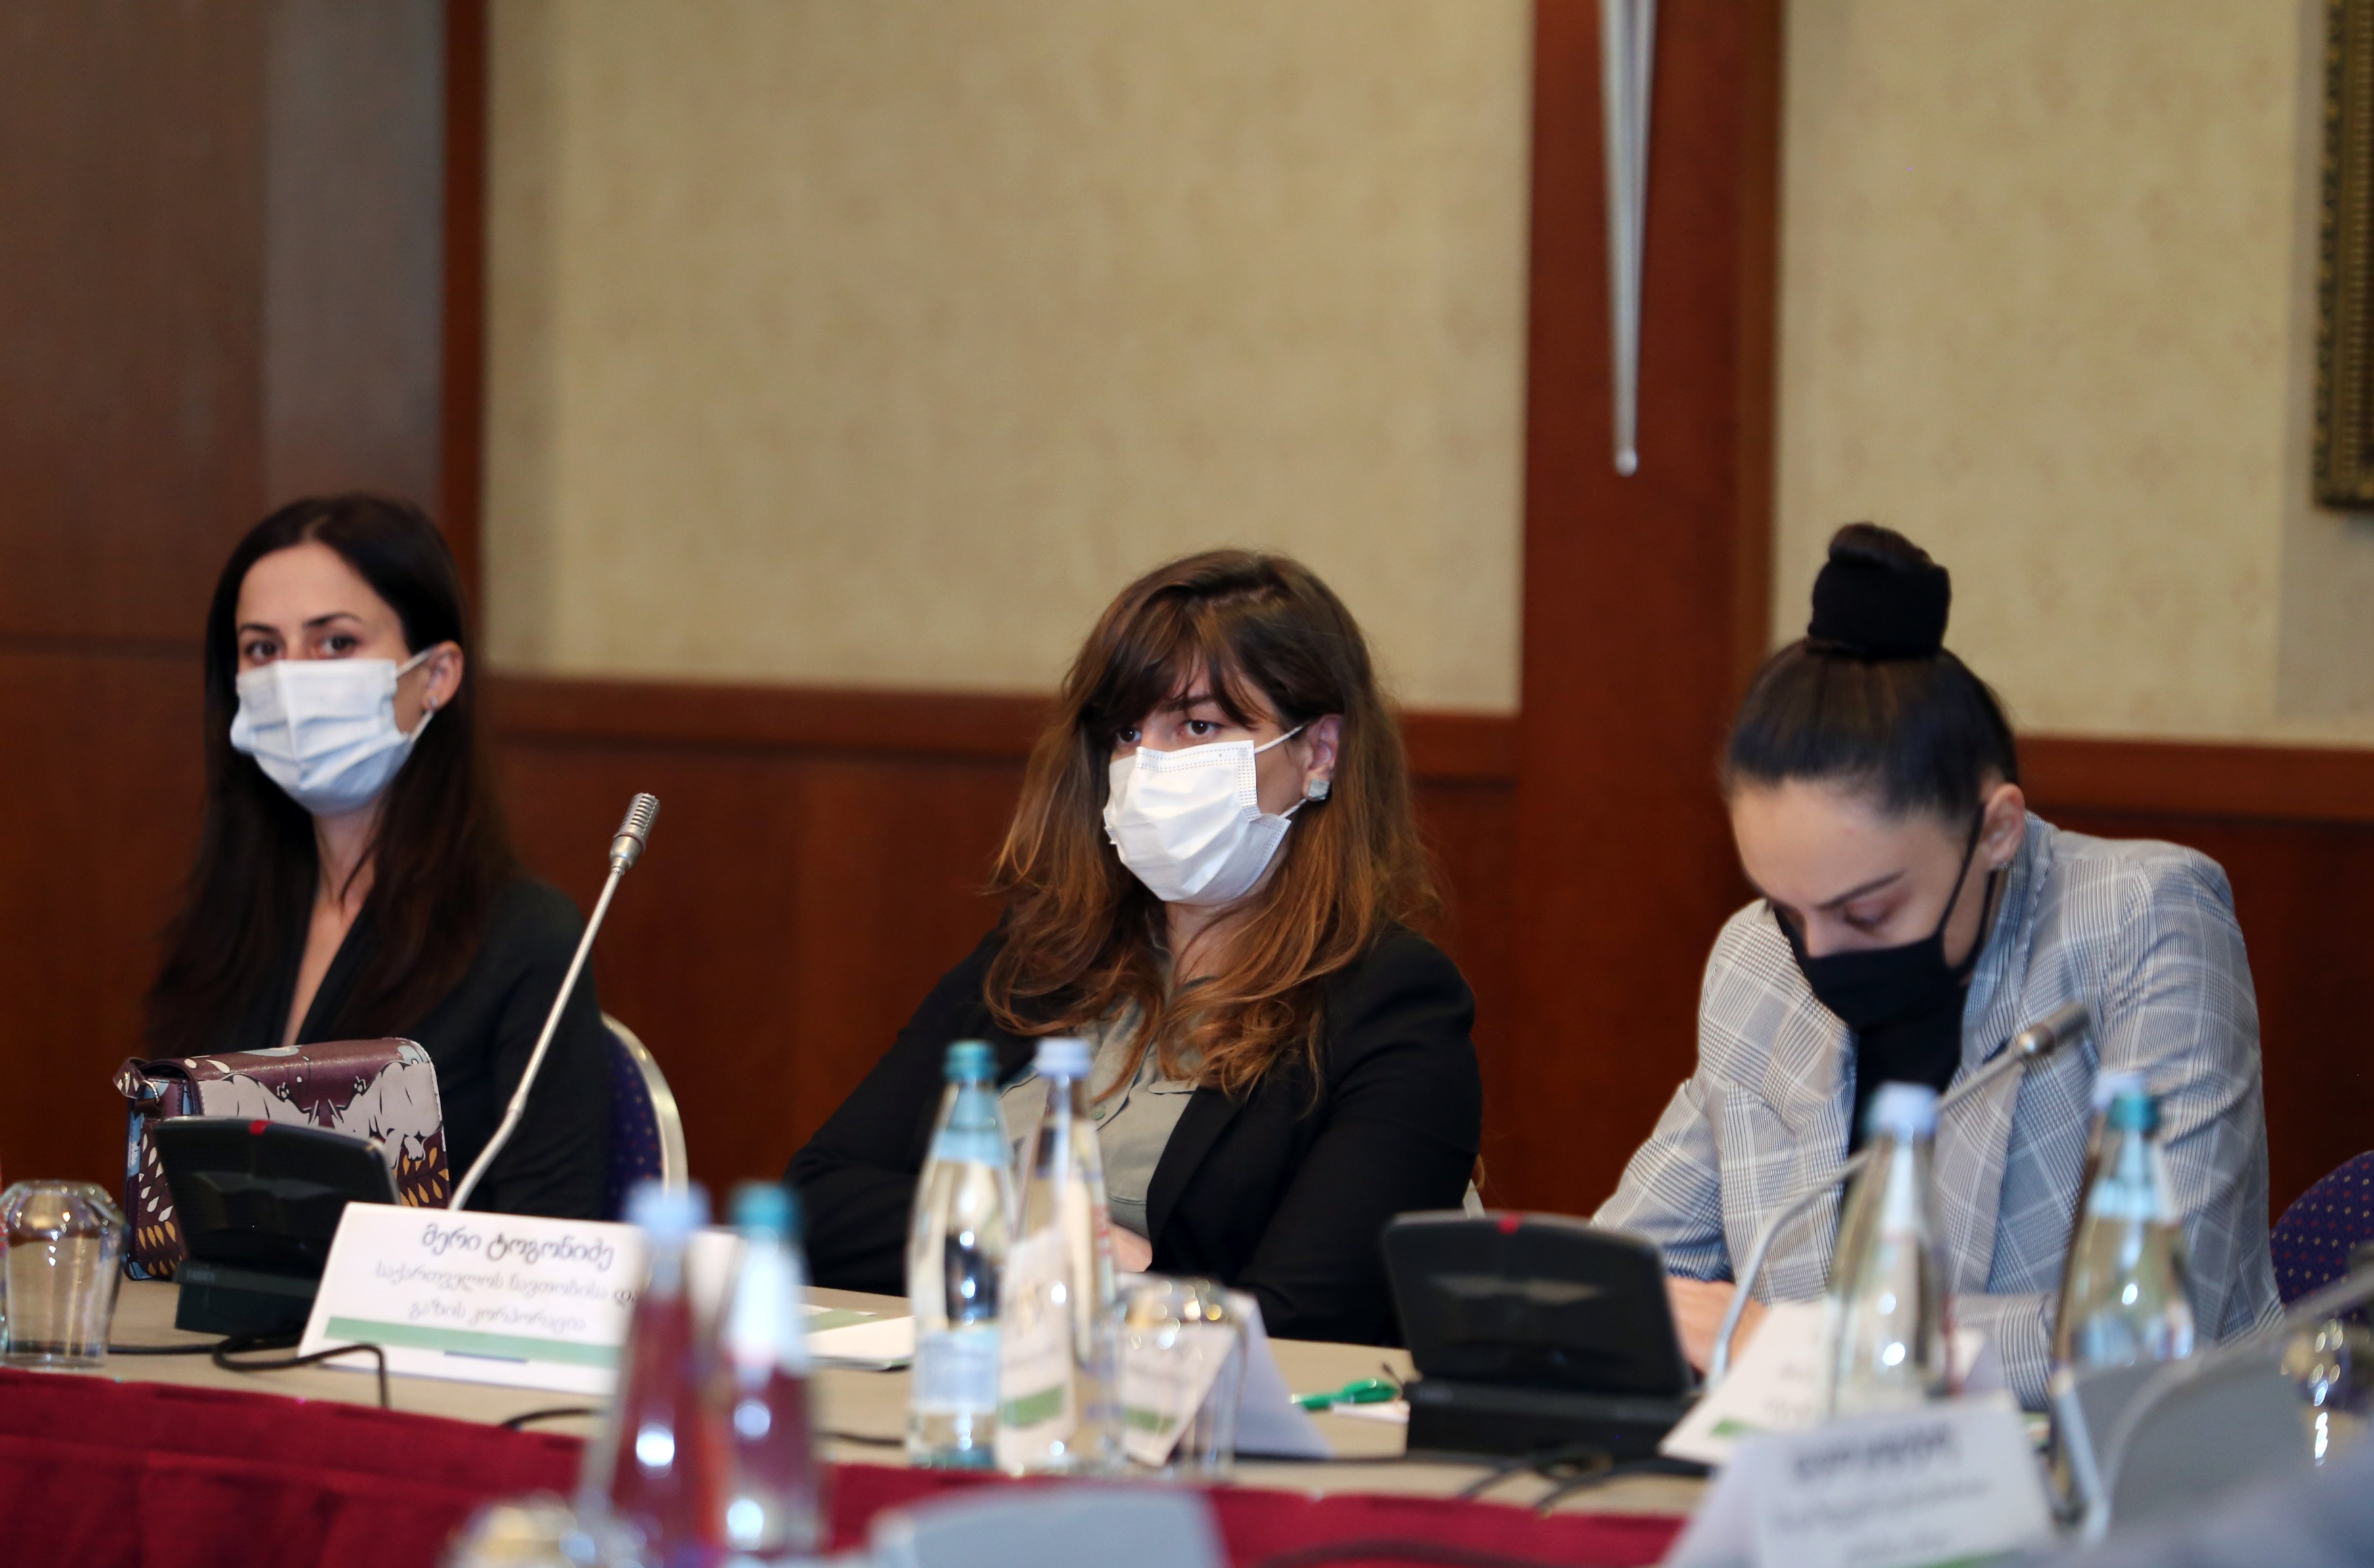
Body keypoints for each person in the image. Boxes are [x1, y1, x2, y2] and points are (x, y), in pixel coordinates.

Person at [1596, 523, 2283, 1408]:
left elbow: (2148, 1324)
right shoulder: (1755, 960)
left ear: (1995, 830)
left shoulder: (2139, 922)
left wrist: (1818, 1345)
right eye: (1786, 907)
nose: (1816, 954)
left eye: (1865, 912)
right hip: (1828, 1470)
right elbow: (1628, 1276)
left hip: (2143, 1471)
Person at [784, 550, 1482, 1344]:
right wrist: (1031, 1244)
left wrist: (1129, 1289)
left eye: (1197, 726)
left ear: (1318, 751)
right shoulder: (1041, 957)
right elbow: (815, 1202)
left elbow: (1308, 1316)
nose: (1148, 766)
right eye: (1125, 732)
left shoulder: (1392, 1001)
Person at [146, 494, 611, 1218]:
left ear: (436, 676)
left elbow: (557, 1236)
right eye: (263, 649)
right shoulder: (232, 919)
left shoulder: (525, 937)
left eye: (336, 643)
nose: (293, 680)